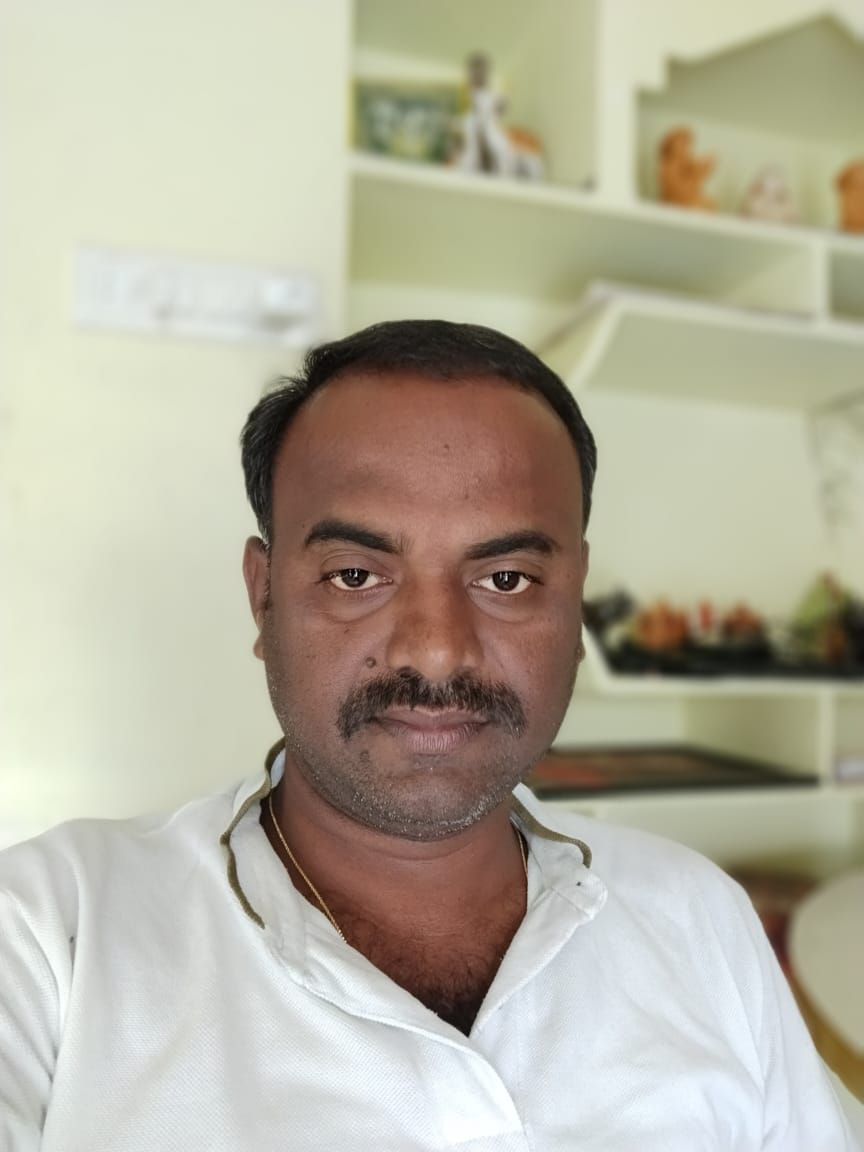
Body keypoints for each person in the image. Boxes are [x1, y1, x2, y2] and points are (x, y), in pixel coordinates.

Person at [0, 319, 859, 1150]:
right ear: (263, 597)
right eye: (355, 574)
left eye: (507, 579)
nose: (437, 649)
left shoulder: (695, 915)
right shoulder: (49, 938)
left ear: (577, 602)